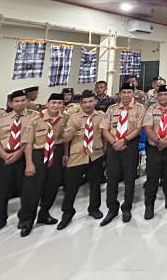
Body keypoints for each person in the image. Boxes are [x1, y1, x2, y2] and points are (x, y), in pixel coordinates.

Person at [0, 89, 38, 236]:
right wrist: (4, 155)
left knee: (26, 191)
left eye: (22, 100)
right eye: (16, 101)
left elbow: (31, 139)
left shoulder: (35, 117)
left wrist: (18, 153)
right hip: (3, 158)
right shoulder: (3, 119)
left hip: (24, 158)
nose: (20, 103)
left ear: (27, 101)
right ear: (11, 103)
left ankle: (25, 220)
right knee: (1, 190)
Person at [19, 92, 67, 236]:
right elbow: (28, 142)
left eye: (59, 103)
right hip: (38, 154)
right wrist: (29, 163)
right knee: (32, 189)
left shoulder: (64, 118)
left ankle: (44, 214)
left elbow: (65, 138)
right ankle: (27, 220)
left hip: (56, 153)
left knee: (51, 186)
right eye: (53, 103)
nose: (56, 106)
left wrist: (65, 154)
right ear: (47, 104)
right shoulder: (35, 119)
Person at [99, 82, 146, 225]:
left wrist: (124, 141)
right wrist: (114, 142)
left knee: (129, 178)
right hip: (113, 145)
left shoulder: (139, 108)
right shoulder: (112, 108)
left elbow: (138, 128)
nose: (126, 95)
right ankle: (112, 209)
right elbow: (104, 128)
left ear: (133, 94)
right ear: (119, 94)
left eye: (129, 92)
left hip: (130, 145)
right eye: (123, 92)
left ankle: (127, 208)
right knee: (112, 178)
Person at [57, 90, 104, 230]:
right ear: (81, 103)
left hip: (95, 155)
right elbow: (66, 139)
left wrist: (104, 151)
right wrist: (66, 154)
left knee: (95, 185)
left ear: (95, 101)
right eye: (85, 102)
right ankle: (67, 212)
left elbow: (105, 134)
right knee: (71, 187)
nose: (88, 104)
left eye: (90, 101)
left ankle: (94, 208)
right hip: (77, 156)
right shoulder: (73, 117)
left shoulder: (101, 116)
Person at [142, 84, 167, 219]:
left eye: (166, 94)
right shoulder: (150, 109)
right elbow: (147, 128)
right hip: (154, 148)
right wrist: (159, 141)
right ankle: (149, 205)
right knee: (152, 178)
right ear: (157, 96)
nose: (163, 97)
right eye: (160, 94)